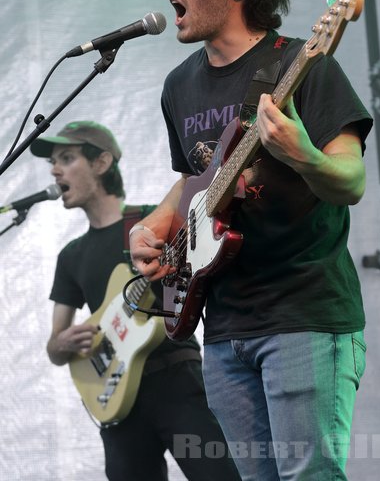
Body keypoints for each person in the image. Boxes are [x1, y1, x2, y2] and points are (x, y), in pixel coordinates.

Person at [129, 0, 374, 480]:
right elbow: (197, 177)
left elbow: (351, 181)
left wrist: (301, 155)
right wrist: (156, 225)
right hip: (224, 325)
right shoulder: (179, 84)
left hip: (304, 314)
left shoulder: (302, 65)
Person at [30, 120, 240, 481]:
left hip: (176, 376)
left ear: (101, 163)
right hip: (117, 400)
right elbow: (55, 345)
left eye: (66, 157)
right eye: (53, 162)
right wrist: (61, 343)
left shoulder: (150, 222)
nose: (54, 169)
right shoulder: (71, 256)